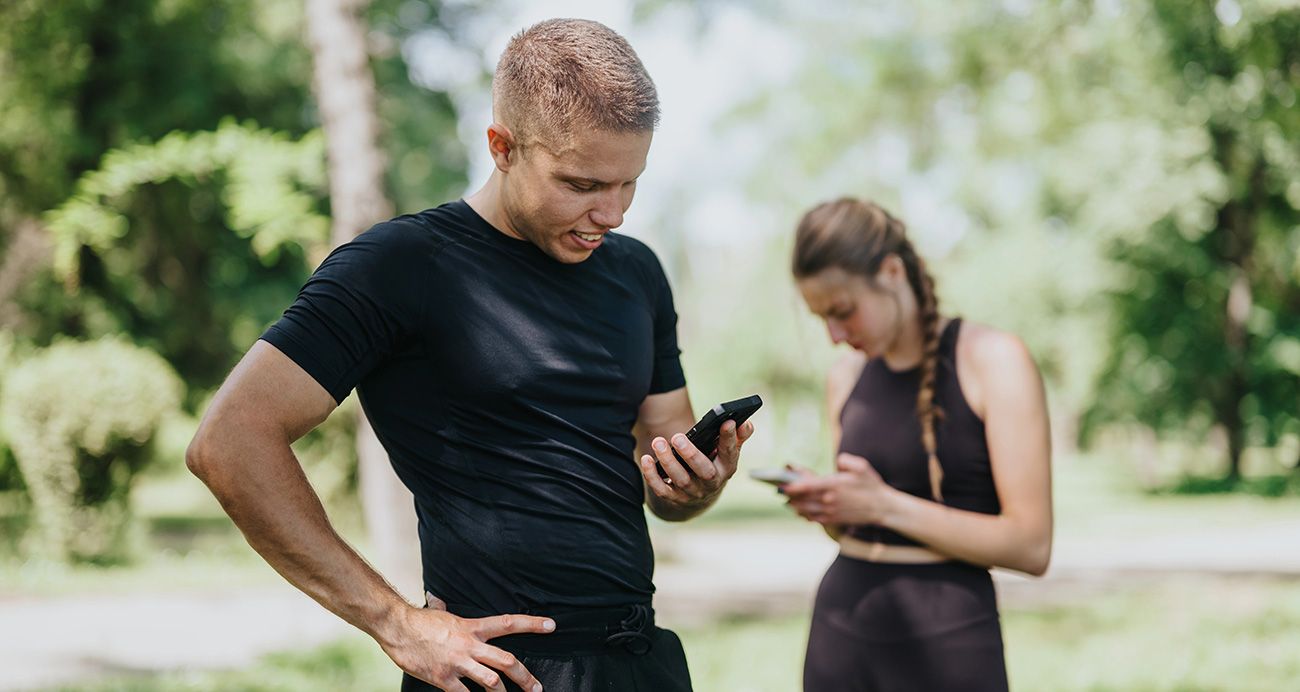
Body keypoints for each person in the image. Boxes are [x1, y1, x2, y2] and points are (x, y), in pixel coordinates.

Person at [186, 18, 753, 692]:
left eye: (629, 183)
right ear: (502, 146)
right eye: (580, 185)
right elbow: (228, 441)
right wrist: (395, 622)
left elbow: (664, 478)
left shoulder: (638, 273)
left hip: (644, 665)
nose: (614, 213)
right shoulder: (399, 266)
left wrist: (695, 487)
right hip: (497, 674)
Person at [779, 197, 1053, 692]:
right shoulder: (845, 378)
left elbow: (1031, 546)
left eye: (843, 312)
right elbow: (852, 531)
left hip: (949, 640)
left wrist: (883, 506)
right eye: (822, 319)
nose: (835, 336)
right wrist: (835, 509)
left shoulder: (994, 360)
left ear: (891, 271)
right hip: (839, 633)